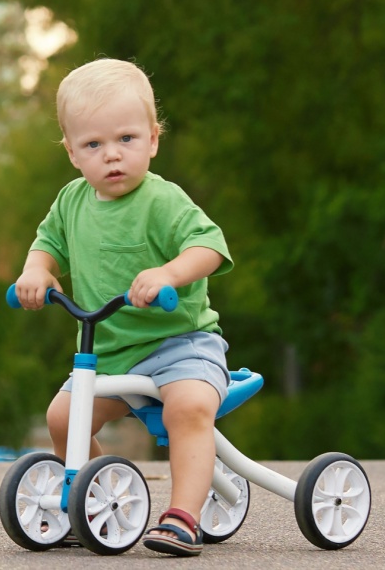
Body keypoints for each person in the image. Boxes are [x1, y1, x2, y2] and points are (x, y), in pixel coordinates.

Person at [12, 58, 232, 557]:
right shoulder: (72, 202)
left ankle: (183, 516)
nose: (112, 156)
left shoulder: (162, 201)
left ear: (153, 139)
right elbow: (47, 244)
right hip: (110, 352)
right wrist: (36, 272)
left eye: (127, 140)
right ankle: (91, 501)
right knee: (63, 418)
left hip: (181, 346)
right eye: (93, 145)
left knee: (191, 408)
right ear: (72, 152)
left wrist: (167, 273)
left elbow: (210, 247)